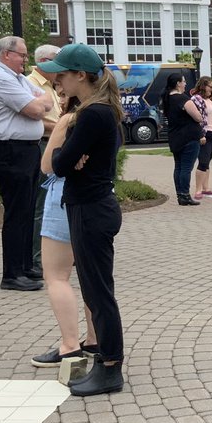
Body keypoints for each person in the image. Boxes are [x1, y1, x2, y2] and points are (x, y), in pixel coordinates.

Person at [37, 44, 127, 397]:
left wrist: (66, 154)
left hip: (91, 208)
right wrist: (70, 157)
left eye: (63, 73)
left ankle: (110, 367)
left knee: (99, 292)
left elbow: (58, 165)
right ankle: (105, 358)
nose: (58, 79)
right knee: (95, 289)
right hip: (88, 205)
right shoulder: (95, 112)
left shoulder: (93, 114)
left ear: (81, 75)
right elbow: (68, 162)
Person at [32, 92, 99, 370]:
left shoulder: (69, 120)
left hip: (63, 198)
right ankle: (95, 339)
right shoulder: (103, 118)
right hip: (95, 199)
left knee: (56, 276)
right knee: (91, 277)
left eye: (60, 88)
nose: (57, 95)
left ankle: (69, 346)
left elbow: (47, 166)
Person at [0, 35, 53, 291]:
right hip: (9, 151)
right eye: (22, 55)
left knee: (27, 208)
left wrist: (39, 103)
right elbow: (35, 109)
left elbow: (46, 98)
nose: (25, 59)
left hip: (26, 151)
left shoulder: (17, 77)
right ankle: (11, 274)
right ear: (6, 54)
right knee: (17, 212)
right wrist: (38, 104)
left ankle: (25, 266)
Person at [26, 44, 62, 275]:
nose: (61, 68)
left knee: (56, 201)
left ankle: (58, 254)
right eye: (57, 63)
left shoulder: (52, 86)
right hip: (43, 145)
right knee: (41, 204)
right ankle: (37, 259)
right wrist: (63, 127)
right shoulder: (30, 85)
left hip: (55, 144)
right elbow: (33, 120)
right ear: (44, 62)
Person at [161, 73, 203, 206]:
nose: (185, 84)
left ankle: (180, 194)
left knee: (178, 167)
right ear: (178, 83)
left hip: (175, 137)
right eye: (183, 82)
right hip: (189, 137)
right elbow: (198, 117)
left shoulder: (168, 98)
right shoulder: (182, 99)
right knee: (186, 168)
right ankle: (185, 194)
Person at [190, 77, 212, 199]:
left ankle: (206, 188)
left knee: (207, 162)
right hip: (206, 134)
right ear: (203, 86)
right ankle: (198, 190)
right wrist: (200, 134)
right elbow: (197, 119)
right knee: (203, 162)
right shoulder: (197, 99)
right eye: (210, 87)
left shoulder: (210, 101)